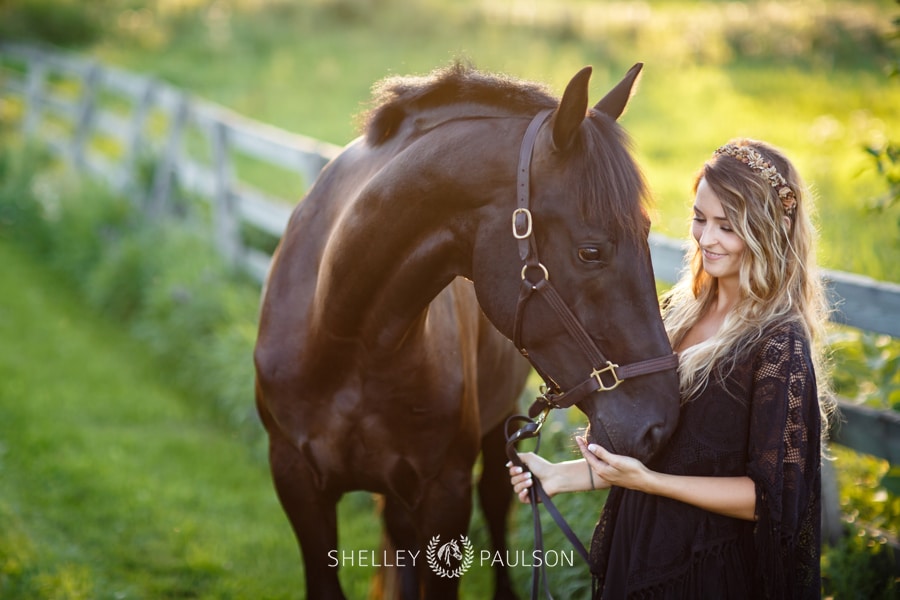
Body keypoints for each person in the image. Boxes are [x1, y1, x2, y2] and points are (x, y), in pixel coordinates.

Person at [508, 138, 835, 599]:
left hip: (707, 566)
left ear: (767, 231)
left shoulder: (778, 343)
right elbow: (664, 447)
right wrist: (561, 476)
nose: (706, 238)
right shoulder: (675, 315)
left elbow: (768, 499)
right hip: (640, 540)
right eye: (700, 219)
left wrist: (651, 482)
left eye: (727, 226)